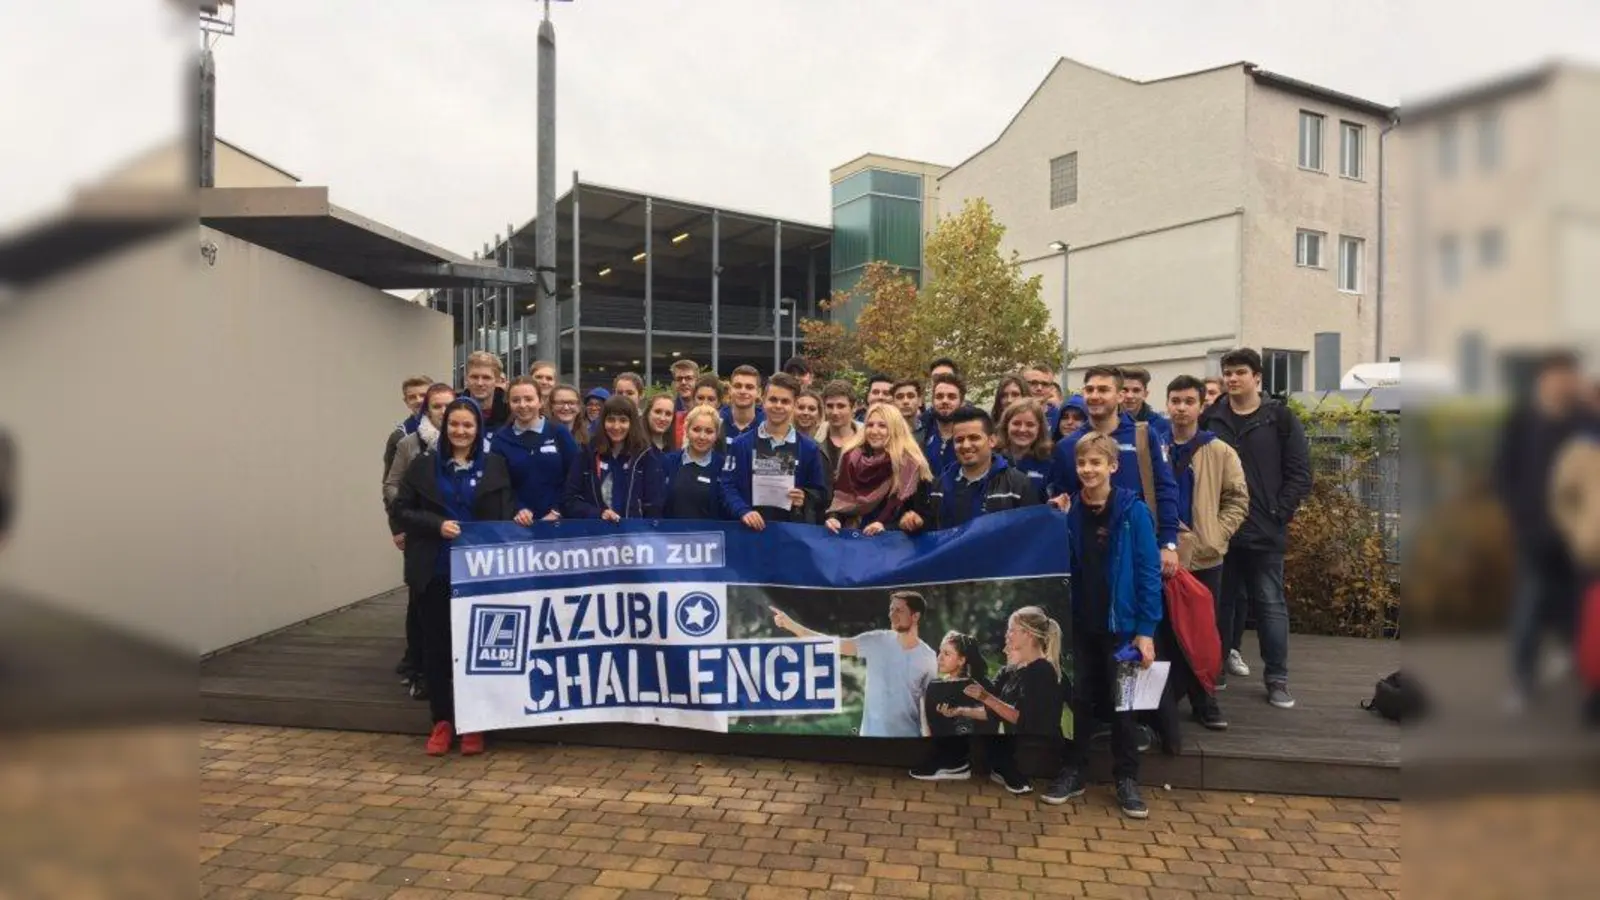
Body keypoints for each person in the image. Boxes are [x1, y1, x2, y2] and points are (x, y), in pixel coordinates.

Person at [1040, 432, 1161, 818]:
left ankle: (1127, 779)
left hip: (1121, 627)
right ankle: (1072, 770)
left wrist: (1146, 630)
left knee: (1124, 706)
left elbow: (1148, 572)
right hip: (1078, 622)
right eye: (1082, 464)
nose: (1088, 470)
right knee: (1078, 701)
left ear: (1113, 466)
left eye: (1096, 463)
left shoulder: (1133, 512)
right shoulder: (1067, 510)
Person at [393, 396, 516, 757]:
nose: (461, 431)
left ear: (478, 430)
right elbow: (401, 510)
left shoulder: (495, 466)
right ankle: (442, 721)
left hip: (479, 576)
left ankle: (475, 723)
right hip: (436, 571)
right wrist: (436, 525)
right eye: (454, 425)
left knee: (477, 650)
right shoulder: (423, 466)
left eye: (468, 425)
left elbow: (504, 514)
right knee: (437, 649)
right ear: (445, 428)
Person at [1199, 348, 1312, 710]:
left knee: (1270, 604)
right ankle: (1213, 669)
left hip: (1265, 529)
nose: (1233, 379)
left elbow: (1300, 473)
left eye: (1240, 372)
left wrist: (1279, 511)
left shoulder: (1279, 418)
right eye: (1228, 373)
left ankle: (1277, 677)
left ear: (1257, 377)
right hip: (1219, 530)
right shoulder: (1211, 419)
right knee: (1220, 603)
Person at [1493, 350, 1592, 711]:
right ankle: (1522, 682)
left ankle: (1574, 662)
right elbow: (1504, 470)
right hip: (1534, 531)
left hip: (1579, 535)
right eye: (1556, 376)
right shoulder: (1523, 420)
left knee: (1577, 603)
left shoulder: (1584, 421)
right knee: (1531, 604)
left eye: (1568, 376)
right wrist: (1518, 513)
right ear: (1543, 379)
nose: (1562, 384)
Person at [1163, 374, 1246, 727]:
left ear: (1201, 405)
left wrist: (1216, 534)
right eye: (1175, 400)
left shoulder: (1220, 450)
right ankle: (1159, 706)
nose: (1181, 408)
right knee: (1161, 631)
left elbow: (1238, 499)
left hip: (1204, 556)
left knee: (1203, 630)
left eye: (1188, 401)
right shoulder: (1152, 445)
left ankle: (1204, 698)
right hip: (1160, 554)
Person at [1048, 366, 1180, 579]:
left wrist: (1168, 543)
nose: (1095, 396)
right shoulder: (1066, 447)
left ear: (1120, 396)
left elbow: (1165, 489)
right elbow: (1064, 502)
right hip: (1089, 558)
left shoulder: (1145, 436)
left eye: (1103, 390)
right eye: (1089, 390)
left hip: (1137, 548)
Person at [771, 591, 937, 738]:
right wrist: (792, 626)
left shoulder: (927, 657)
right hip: (872, 739)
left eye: (899, 610)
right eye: (891, 609)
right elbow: (832, 644)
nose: (892, 615)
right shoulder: (877, 641)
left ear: (915, 616)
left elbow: (929, 706)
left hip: (908, 740)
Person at [384, 382, 456, 698]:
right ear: (426, 410)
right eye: (436, 406)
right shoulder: (408, 444)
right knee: (422, 609)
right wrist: (406, 517)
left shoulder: (472, 444)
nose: (443, 412)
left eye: (448, 406)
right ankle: (422, 672)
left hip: (458, 541)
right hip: (423, 538)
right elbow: (391, 485)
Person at [959, 607, 1065, 795]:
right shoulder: (1013, 669)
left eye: (1012, 630)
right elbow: (990, 694)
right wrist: (975, 662)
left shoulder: (1042, 671)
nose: (1007, 635)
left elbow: (1023, 719)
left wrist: (985, 697)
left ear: (1028, 635)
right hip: (1012, 739)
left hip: (1032, 743)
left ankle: (1006, 769)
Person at [719, 373, 827, 529]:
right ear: (763, 400)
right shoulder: (740, 444)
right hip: (749, 532)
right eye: (773, 399)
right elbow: (727, 486)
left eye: (785, 401)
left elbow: (820, 493)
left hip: (791, 534)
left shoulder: (809, 448)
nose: (778, 406)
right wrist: (743, 511)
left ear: (794, 404)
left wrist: (805, 496)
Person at [905, 406, 1040, 533]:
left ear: (992, 440)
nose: (966, 445)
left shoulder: (1018, 485)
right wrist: (916, 524)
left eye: (974, 438)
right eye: (959, 440)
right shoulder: (938, 487)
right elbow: (932, 532)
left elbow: (1031, 534)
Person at [824, 403, 933, 536]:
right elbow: (840, 503)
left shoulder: (911, 465)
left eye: (882, 426)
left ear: (895, 429)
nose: (874, 431)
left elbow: (921, 518)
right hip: (852, 541)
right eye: (870, 425)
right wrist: (833, 518)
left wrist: (885, 526)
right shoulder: (851, 459)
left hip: (892, 547)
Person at [490, 376, 579, 528]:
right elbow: (501, 486)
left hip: (560, 524)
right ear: (509, 403)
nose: (523, 405)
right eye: (516, 400)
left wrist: (558, 510)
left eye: (529, 399)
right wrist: (518, 509)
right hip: (519, 526)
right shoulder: (500, 439)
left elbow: (575, 477)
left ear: (540, 401)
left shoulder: (559, 433)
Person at [909, 631, 998, 781]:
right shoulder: (936, 685)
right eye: (940, 652)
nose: (939, 658)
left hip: (971, 744)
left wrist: (961, 711)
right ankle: (945, 760)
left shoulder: (976, 685)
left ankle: (956, 763)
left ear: (961, 660)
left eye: (947, 654)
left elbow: (993, 716)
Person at [564, 395, 664, 521]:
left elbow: (654, 505)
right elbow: (570, 500)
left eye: (623, 420)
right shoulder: (587, 453)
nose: (616, 427)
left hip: (635, 535)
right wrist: (598, 514)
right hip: (596, 534)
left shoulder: (646, 455)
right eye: (611, 420)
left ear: (632, 423)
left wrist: (644, 533)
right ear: (603, 422)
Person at [662, 404, 729, 520]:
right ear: (686, 430)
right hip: (671, 536)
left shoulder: (723, 467)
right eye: (696, 430)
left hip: (710, 536)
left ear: (717, 435)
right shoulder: (668, 462)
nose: (702, 436)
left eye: (709, 431)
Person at [996, 398, 1053, 502]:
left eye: (1030, 425)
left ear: (1039, 429)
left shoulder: (1049, 463)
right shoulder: (992, 460)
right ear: (1006, 425)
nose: (1022, 430)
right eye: (1016, 423)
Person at [384, 376, 434, 488]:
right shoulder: (399, 436)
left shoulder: (453, 429)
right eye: (412, 397)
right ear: (406, 402)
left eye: (423, 395)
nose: (418, 400)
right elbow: (390, 485)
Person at [818, 379, 860, 490]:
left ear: (854, 407)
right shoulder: (814, 442)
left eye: (841, 406)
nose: (835, 412)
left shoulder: (867, 442)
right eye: (830, 406)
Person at [923, 373, 966, 475]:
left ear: (962, 402)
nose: (945, 401)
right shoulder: (921, 436)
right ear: (933, 401)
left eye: (951, 397)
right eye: (939, 396)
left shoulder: (973, 437)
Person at [1117, 365, 1173, 444]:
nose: (1129, 396)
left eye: (1136, 390)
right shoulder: (1106, 422)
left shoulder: (1161, 425)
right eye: (1125, 390)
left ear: (1145, 394)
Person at [463, 351, 510, 431]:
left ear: (497, 380)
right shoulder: (453, 409)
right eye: (474, 377)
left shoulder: (511, 412)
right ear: (466, 379)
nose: (480, 383)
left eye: (486, 378)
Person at [721, 365, 765, 441]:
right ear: (730, 390)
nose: (743, 391)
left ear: (759, 392)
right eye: (738, 386)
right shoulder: (717, 422)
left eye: (749, 387)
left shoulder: (767, 424)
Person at [643, 393, 680, 459]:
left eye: (668, 414)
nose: (662, 418)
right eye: (657, 412)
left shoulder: (674, 449)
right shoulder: (636, 447)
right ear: (647, 413)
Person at [891, 379, 927, 445]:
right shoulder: (886, 433)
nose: (905, 401)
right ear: (893, 403)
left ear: (920, 401)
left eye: (911, 396)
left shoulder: (929, 432)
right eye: (900, 397)